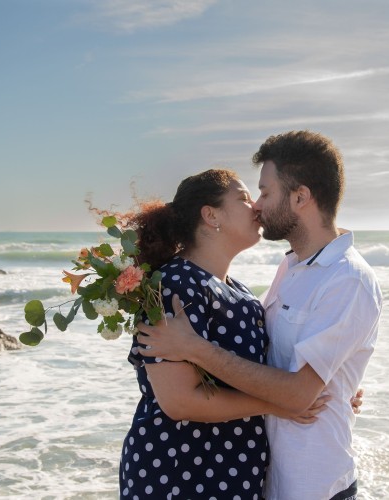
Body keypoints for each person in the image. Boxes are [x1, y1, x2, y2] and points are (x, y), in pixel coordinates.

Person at [138, 130, 383, 499]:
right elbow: (276, 362)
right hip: (236, 478)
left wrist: (334, 385)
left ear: (300, 197)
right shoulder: (292, 269)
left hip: (311, 482)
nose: (258, 205)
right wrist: (328, 385)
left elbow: (300, 392)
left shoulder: (348, 279)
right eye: (251, 196)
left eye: (265, 193)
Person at [117, 169, 330, 500]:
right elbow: (179, 401)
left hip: (231, 470)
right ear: (210, 214)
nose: (257, 207)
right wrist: (282, 404)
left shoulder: (240, 292)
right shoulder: (173, 284)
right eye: (244, 198)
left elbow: (261, 366)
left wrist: (323, 382)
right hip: (180, 471)